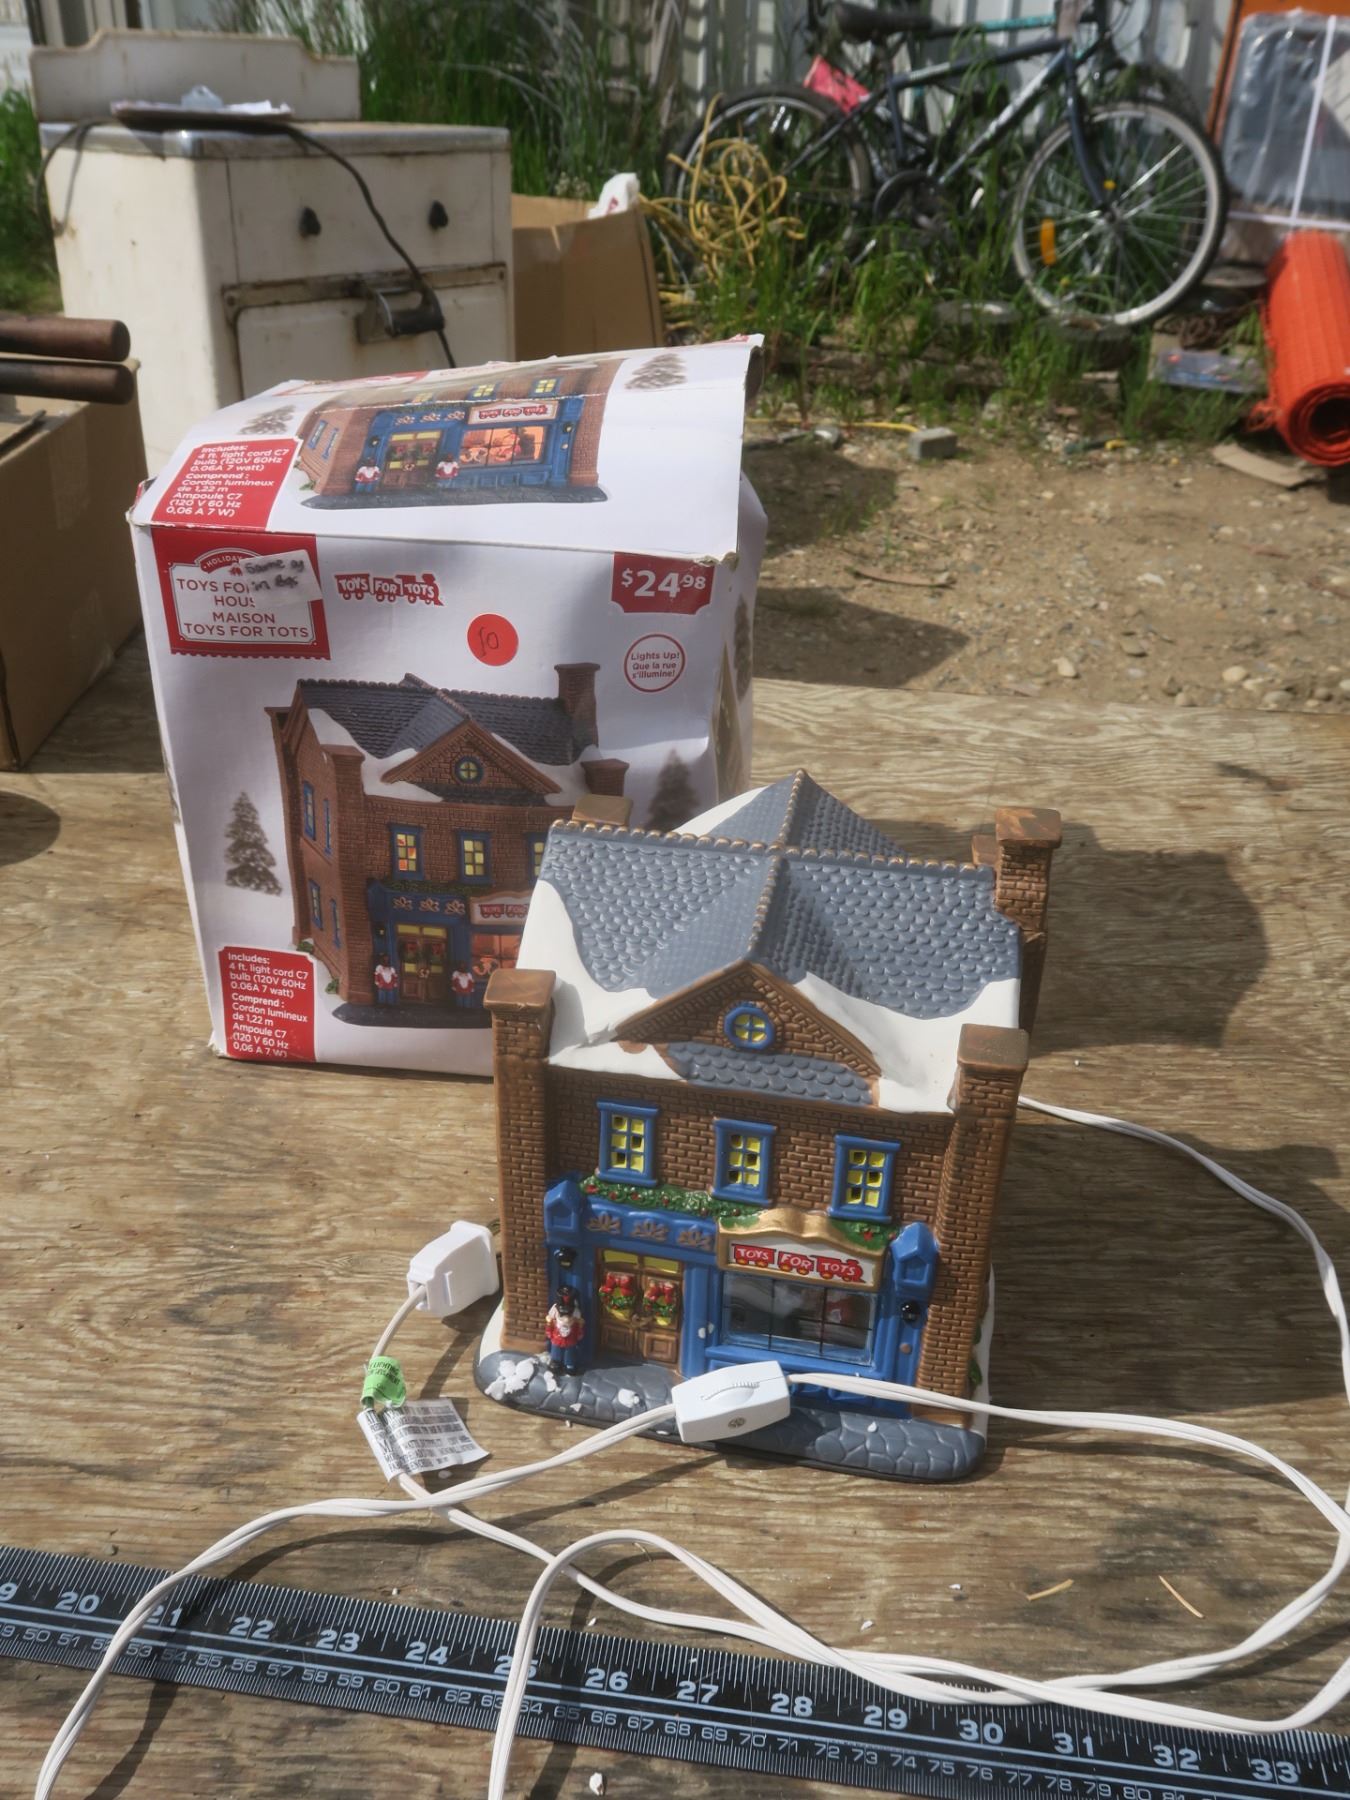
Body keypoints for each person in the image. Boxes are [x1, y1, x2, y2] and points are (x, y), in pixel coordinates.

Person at [544, 1286, 585, 1377]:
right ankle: (555, 1361)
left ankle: (569, 1364)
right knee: (556, 1349)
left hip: (570, 1336)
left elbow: (579, 1321)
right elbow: (550, 1319)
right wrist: (549, 1330)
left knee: (570, 1351)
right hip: (557, 1335)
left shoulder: (575, 1310)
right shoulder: (555, 1308)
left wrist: (579, 1331)